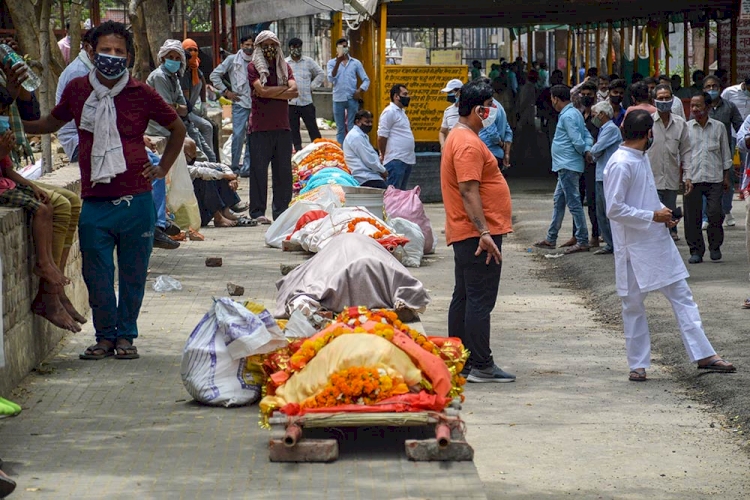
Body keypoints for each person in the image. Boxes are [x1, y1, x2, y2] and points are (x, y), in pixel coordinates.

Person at [23, 20, 187, 360]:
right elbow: (49, 124)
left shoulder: (142, 93)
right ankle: (104, 337)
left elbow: (177, 128)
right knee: (95, 273)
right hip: (95, 202)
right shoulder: (78, 90)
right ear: (91, 52)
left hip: (137, 200)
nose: (112, 57)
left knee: (132, 274)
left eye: (119, 52)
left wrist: (162, 169)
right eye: (105, 50)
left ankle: (126, 337)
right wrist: (13, 116)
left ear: (129, 57)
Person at [603, 109, 736, 382]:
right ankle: (637, 364)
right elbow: (614, 209)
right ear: (648, 134)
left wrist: (664, 213)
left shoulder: (639, 158)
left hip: (656, 241)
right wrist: (652, 216)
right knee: (633, 305)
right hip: (633, 247)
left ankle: (704, 354)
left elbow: (645, 198)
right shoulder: (620, 163)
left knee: (682, 296)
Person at [440, 79, 515, 383]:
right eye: (488, 107)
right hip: (476, 234)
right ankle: (481, 364)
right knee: (480, 299)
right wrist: (484, 232)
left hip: (468, 231)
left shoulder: (462, 137)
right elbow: (469, 190)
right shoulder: (468, 143)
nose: (492, 112)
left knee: (466, 296)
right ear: (475, 109)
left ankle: (460, 359)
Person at [534, 85, 593, 254]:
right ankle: (551, 238)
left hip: (568, 165)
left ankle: (582, 239)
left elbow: (577, 140)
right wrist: (587, 149)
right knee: (559, 201)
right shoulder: (575, 113)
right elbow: (586, 135)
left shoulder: (568, 116)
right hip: (566, 165)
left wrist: (584, 151)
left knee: (574, 203)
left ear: (555, 99)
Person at [247, 30, 297, 223]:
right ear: (259, 47)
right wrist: (283, 91)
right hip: (259, 128)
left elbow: (295, 92)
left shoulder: (285, 68)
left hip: (283, 128)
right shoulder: (253, 68)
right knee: (258, 172)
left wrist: (269, 92)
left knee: (283, 173)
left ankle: (281, 213)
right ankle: (258, 212)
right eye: (265, 44)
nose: (270, 48)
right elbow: (260, 89)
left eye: (272, 44)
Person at [147, 40, 216, 162]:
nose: (174, 60)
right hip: (162, 129)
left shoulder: (175, 77)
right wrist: (177, 107)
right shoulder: (159, 76)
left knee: (207, 157)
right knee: (198, 159)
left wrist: (176, 106)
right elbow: (168, 108)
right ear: (163, 58)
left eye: (177, 58)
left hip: (178, 125)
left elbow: (184, 108)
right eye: (170, 57)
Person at [684, 93, 732, 263]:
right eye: (692, 106)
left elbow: (725, 153)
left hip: (715, 178)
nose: (695, 109)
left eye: (699, 105)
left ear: (708, 107)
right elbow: (682, 154)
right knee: (692, 217)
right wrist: (684, 177)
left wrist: (726, 177)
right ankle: (696, 251)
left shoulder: (718, 127)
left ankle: (715, 246)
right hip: (692, 178)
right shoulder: (686, 127)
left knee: (715, 213)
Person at [648, 83, 692, 242]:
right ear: (654, 101)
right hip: (652, 178)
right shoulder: (648, 123)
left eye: (667, 98)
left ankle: (669, 237)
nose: (664, 101)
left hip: (672, 178)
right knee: (655, 214)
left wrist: (688, 176)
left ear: (673, 99)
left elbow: (686, 151)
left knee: (669, 212)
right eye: (661, 98)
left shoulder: (680, 123)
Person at [210, 34, 254, 175]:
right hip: (239, 102)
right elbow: (214, 76)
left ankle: (247, 168)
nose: (249, 47)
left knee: (252, 135)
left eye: (252, 45)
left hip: (256, 103)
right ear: (241, 46)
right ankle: (234, 166)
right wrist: (226, 92)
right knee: (238, 135)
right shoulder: (232, 60)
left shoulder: (257, 60)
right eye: (247, 45)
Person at [703, 75, 744, 227]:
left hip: (725, 150)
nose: (712, 89)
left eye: (714, 86)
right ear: (704, 89)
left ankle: (727, 211)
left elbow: (739, 126)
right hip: (705, 150)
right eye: (708, 87)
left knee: (727, 183)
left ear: (720, 89)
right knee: (705, 183)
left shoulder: (729, 106)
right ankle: (706, 217)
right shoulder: (701, 106)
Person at [182, 138, 248, 227]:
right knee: (206, 177)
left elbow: (221, 166)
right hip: (194, 214)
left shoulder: (192, 163)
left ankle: (225, 211)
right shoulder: (181, 167)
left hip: (203, 210)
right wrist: (226, 176)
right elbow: (201, 172)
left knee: (218, 171)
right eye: (192, 154)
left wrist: (231, 178)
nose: (194, 156)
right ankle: (218, 217)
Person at [587, 100, 621, 255]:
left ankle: (614, 243)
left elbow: (597, 149)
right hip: (601, 174)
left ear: (602, 114)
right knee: (601, 211)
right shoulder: (603, 129)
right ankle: (609, 242)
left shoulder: (611, 129)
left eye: (595, 115)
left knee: (608, 211)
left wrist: (591, 151)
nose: (593, 117)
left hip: (608, 175)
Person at [56, 28, 94, 163]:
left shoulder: (92, 70)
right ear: (89, 49)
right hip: (78, 140)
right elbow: (90, 121)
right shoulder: (78, 73)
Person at [327, 38, 370, 146]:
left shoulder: (355, 63)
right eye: (342, 47)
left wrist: (359, 91)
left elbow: (366, 79)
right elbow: (331, 79)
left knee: (352, 126)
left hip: (352, 98)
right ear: (337, 49)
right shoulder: (331, 63)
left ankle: (352, 148)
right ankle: (342, 151)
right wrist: (338, 61)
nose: (344, 48)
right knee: (340, 128)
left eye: (346, 46)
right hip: (338, 98)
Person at [285, 37, 324, 152]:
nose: (296, 50)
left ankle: (319, 148)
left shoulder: (308, 61)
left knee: (312, 127)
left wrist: (312, 86)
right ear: (289, 48)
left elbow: (320, 74)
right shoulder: (285, 63)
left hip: (306, 100)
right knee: (293, 128)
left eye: (298, 47)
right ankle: (298, 150)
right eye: (293, 47)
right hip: (291, 102)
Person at [180, 38, 216, 161]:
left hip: (193, 108)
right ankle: (208, 160)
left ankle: (212, 157)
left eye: (195, 50)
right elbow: (185, 98)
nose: (193, 53)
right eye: (189, 50)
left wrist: (204, 103)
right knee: (207, 127)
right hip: (185, 111)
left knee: (213, 126)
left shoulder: (195, 68)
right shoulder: (183, 72)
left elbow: (203, 83)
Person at [378, 84, 416, 189]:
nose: (407, 97)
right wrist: (383, 154)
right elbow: (382, 136)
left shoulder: (402, 113)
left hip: (406, 159)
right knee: (393, 194)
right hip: (395, 159)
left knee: (401, 195)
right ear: (396, 96)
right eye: (404, 94)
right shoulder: (389, 112)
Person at [343, 109, 387, 189]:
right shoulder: (356, 137)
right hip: (365, 177)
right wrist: (383, 171)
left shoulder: (361, 135)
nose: (370, 124)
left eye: (371, 122)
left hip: (370, 175)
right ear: (357, 122)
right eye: (367, 122)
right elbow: (369, 160)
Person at [478, 88, 513, 172]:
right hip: (498, 154)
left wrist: (501, 144)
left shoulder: (486, 108)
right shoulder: (499, 107)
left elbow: (492, 134)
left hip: (488, 153)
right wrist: (506, 152)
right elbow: (508, 130)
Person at [439, 78, 463, 148]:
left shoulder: (470, 109)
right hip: (452, 147)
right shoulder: (448, 111)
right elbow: (442, 132)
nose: (448, 95)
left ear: (459, 91)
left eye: (450, 92)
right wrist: (443, 145)